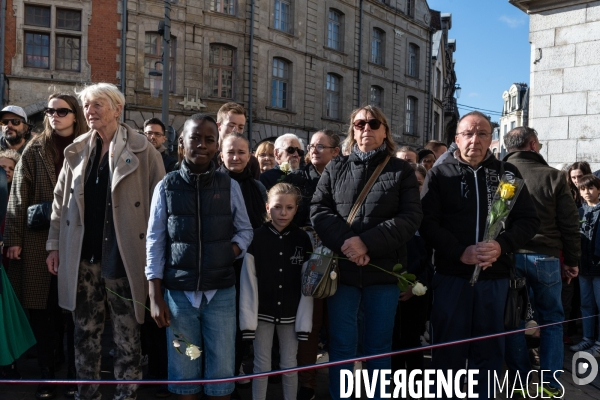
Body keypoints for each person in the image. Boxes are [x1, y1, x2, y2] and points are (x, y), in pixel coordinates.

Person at [45, 83, 165, 400]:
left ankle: (126, 394)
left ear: (116, 109)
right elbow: (59, 203)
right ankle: (88, 394)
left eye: (98, 104)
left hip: (124, 257)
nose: (90, 111)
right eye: (87, 106)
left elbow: (161, 207)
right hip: (83, 257)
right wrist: (54, 245)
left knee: (127, 334)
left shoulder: (143, 150)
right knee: (85, 332)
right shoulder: (77, 149)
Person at [420, 111, 539, 398]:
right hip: (452, 278)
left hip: (494, 279)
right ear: (457, 139)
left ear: (491, 139)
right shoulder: (439, 173)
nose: (475, 139)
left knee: (489, 354)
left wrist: (502, 245)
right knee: (447, 354)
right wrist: (459, 252)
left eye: (483, 133)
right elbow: (426, 223)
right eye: (468, 134)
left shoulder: (508, 174)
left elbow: (529, 221)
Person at [311, 105, 422, 399]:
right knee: (342, 347)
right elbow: (319, 210)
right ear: (352, 130)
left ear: (385, 131)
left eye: (373, 124)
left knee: (377, 348)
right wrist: (349, 243)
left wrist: (367, 243)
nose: (366, 129)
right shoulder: (336, 166)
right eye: (360, 124)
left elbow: (410, 218)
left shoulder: (402, 171)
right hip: (343, 273)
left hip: (382, 274)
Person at [146, 113, 253, 400]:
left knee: (221, 370)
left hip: (221, 295)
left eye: (209, 139)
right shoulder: (166, 187)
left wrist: (225, 253)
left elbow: (245, 231)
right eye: (195, 138)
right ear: (182, 142)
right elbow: (155, 242)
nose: (202, 145)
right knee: (185, 367)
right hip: (179, 298)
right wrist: (155, 295)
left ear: (217, 145)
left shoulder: (228, 186)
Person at [4, 94, 87, 399]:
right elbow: (17, 195)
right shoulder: (35, 148)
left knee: (74, 314)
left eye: (61, 111)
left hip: (78, 240)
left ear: (74, 115)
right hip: (39, 241)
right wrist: (13, 241)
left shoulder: (88, 145)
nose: (54, 115)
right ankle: (47, 375)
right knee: (42, 311)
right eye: (50, 111)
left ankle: (77, 375)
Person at [503, 126, 580, 398]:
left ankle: (520, 379)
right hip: (544, 257)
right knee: (551, 322)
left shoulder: (499, 174)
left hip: (507, 256)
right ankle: (550, 383)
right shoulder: (554, 177)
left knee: (511, 320)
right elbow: (570, 224)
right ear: (534, 145)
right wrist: (572, 261)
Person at [240, 182, 313, 400]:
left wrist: (304, 321)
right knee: (261, 364)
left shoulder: (302, 239)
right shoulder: (257, 237)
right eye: (277, 207)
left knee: (289, 363)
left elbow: (307, 283)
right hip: (263, 312)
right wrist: (248, 321)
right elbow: (248, 280)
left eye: (289, 207)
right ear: (267, 207)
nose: (283, 213)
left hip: (291, 313)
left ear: (296, 209)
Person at [391, 162, 430, 379]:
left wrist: (416, 285)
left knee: (412, 341)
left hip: (418, 291)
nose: (412, 189)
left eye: (417, 184)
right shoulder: (390, 214)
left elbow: (433, 258)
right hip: (391, 289)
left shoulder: (429, 217)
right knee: (393, 342)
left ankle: (415, 385)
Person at [570, 174, 600, 357]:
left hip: (598, 267)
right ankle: (588, 338)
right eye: (583, 189)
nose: (587, 192)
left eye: (590, 188)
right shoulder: (579, 211)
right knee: (586, 304)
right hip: (583, 266)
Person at [216, 102, 260, 179]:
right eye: (231, 125)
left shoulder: (252, 162)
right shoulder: (206, 157)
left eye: (240, 127)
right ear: (219, 126)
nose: (235, 130)